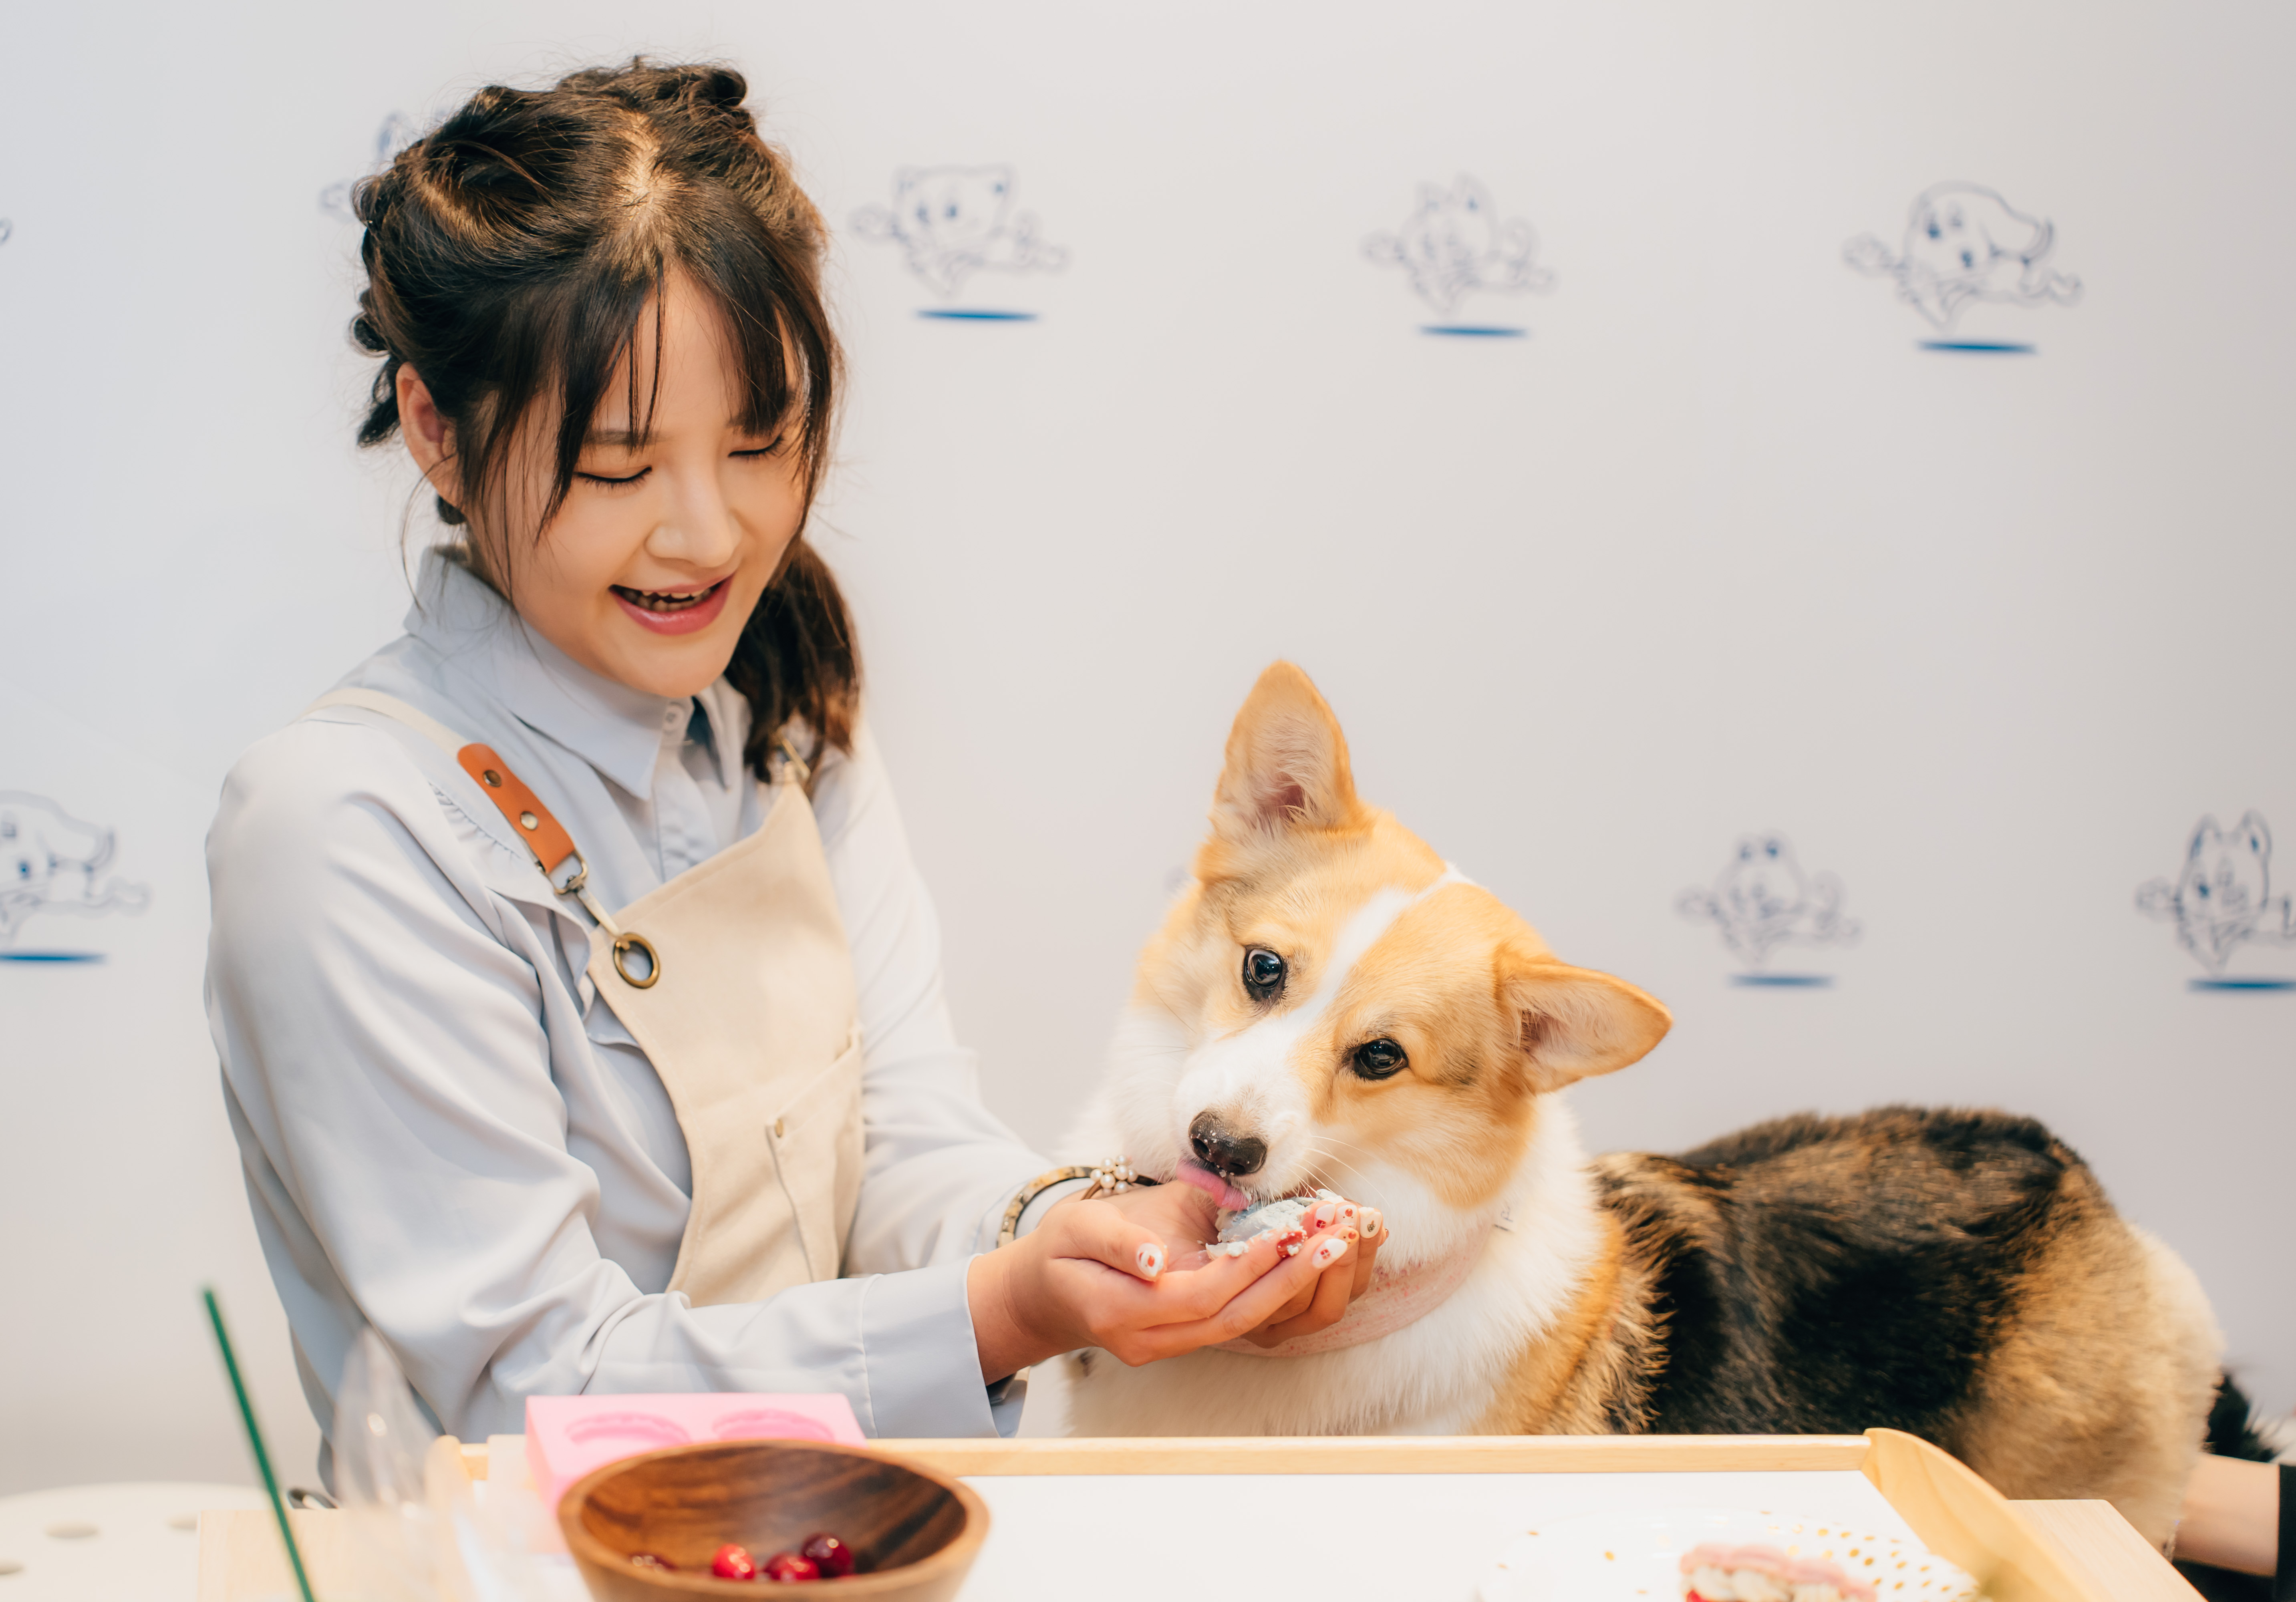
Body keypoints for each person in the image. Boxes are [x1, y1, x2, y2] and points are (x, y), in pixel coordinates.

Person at [204, 59, 1378, 1467]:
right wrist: (996, 1313)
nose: (708, 535)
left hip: (828, 1535)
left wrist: (1074, 1230)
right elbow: (523, 1392)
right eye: (620, 467)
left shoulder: (776, 712)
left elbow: (899, 1134)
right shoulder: (343, 825)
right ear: (440, 432)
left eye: (759, 444)